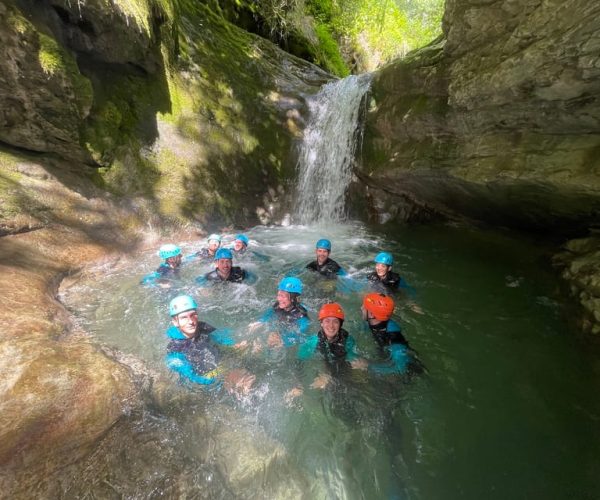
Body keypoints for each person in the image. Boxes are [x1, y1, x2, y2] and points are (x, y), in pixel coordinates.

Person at [165, 295, 254, 392]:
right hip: (204, 379)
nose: (190, 321)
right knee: (243, 384)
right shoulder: (175, 348)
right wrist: (220, 379)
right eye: (183, 318)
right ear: (175, 322)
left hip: (220, 365)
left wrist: (234, 345)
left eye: (193, 315)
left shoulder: (203, 328)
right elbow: (190, 376)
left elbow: (219, 338)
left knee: (252, 352)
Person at [290, 303, 367, 395]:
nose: (331, 326)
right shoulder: (312, 342)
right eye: (327, 321)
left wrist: (359, 363)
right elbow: (299, 362)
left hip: (339, 368)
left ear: (340, 324)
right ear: (321, 323)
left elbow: (351, 356)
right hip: (321, 368)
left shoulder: (348, 340)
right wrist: (297, 384)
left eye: (335, 321)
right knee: (322, 390)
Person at [361, 293, 423, 376]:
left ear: (372, 314)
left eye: (364, 307)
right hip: (387, 356)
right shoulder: (371, 322)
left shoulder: (393, 336)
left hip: (409, 372)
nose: (361, 308)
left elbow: (400, 368)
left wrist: (368, 366)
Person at [252, 277, 310, 347]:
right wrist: (260, 322)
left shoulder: (301, 316)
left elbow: (301, 335)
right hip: (280, 329)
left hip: (288, 336)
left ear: (294, 298)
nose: (279, 299)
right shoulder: (278, 306)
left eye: (283, 296)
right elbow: (269, 313)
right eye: (279, 295)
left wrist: (283, 341)